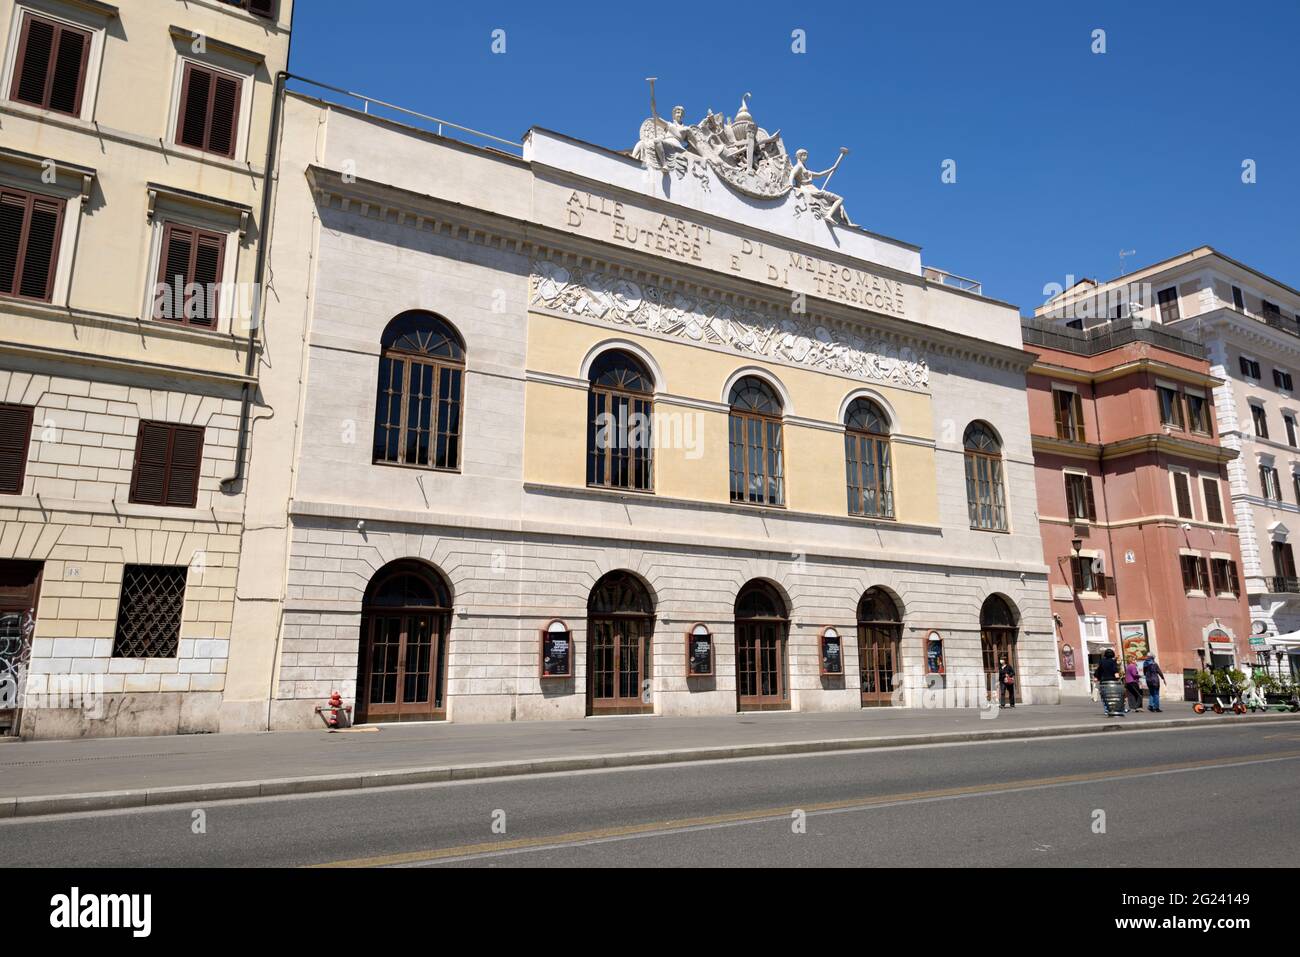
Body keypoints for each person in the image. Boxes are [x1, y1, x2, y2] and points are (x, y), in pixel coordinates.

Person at [1095, 648, 1122, 717]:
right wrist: (1118, 679)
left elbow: (1098, 671)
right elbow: (1115, 671)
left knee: (1104, 696)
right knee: (1112, 696)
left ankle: (1106, 709)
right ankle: (1112, 708)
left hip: (1103, 681)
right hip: (1112, 681)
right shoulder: (1113, 662)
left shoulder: (1102, 661)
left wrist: (1097, 677)